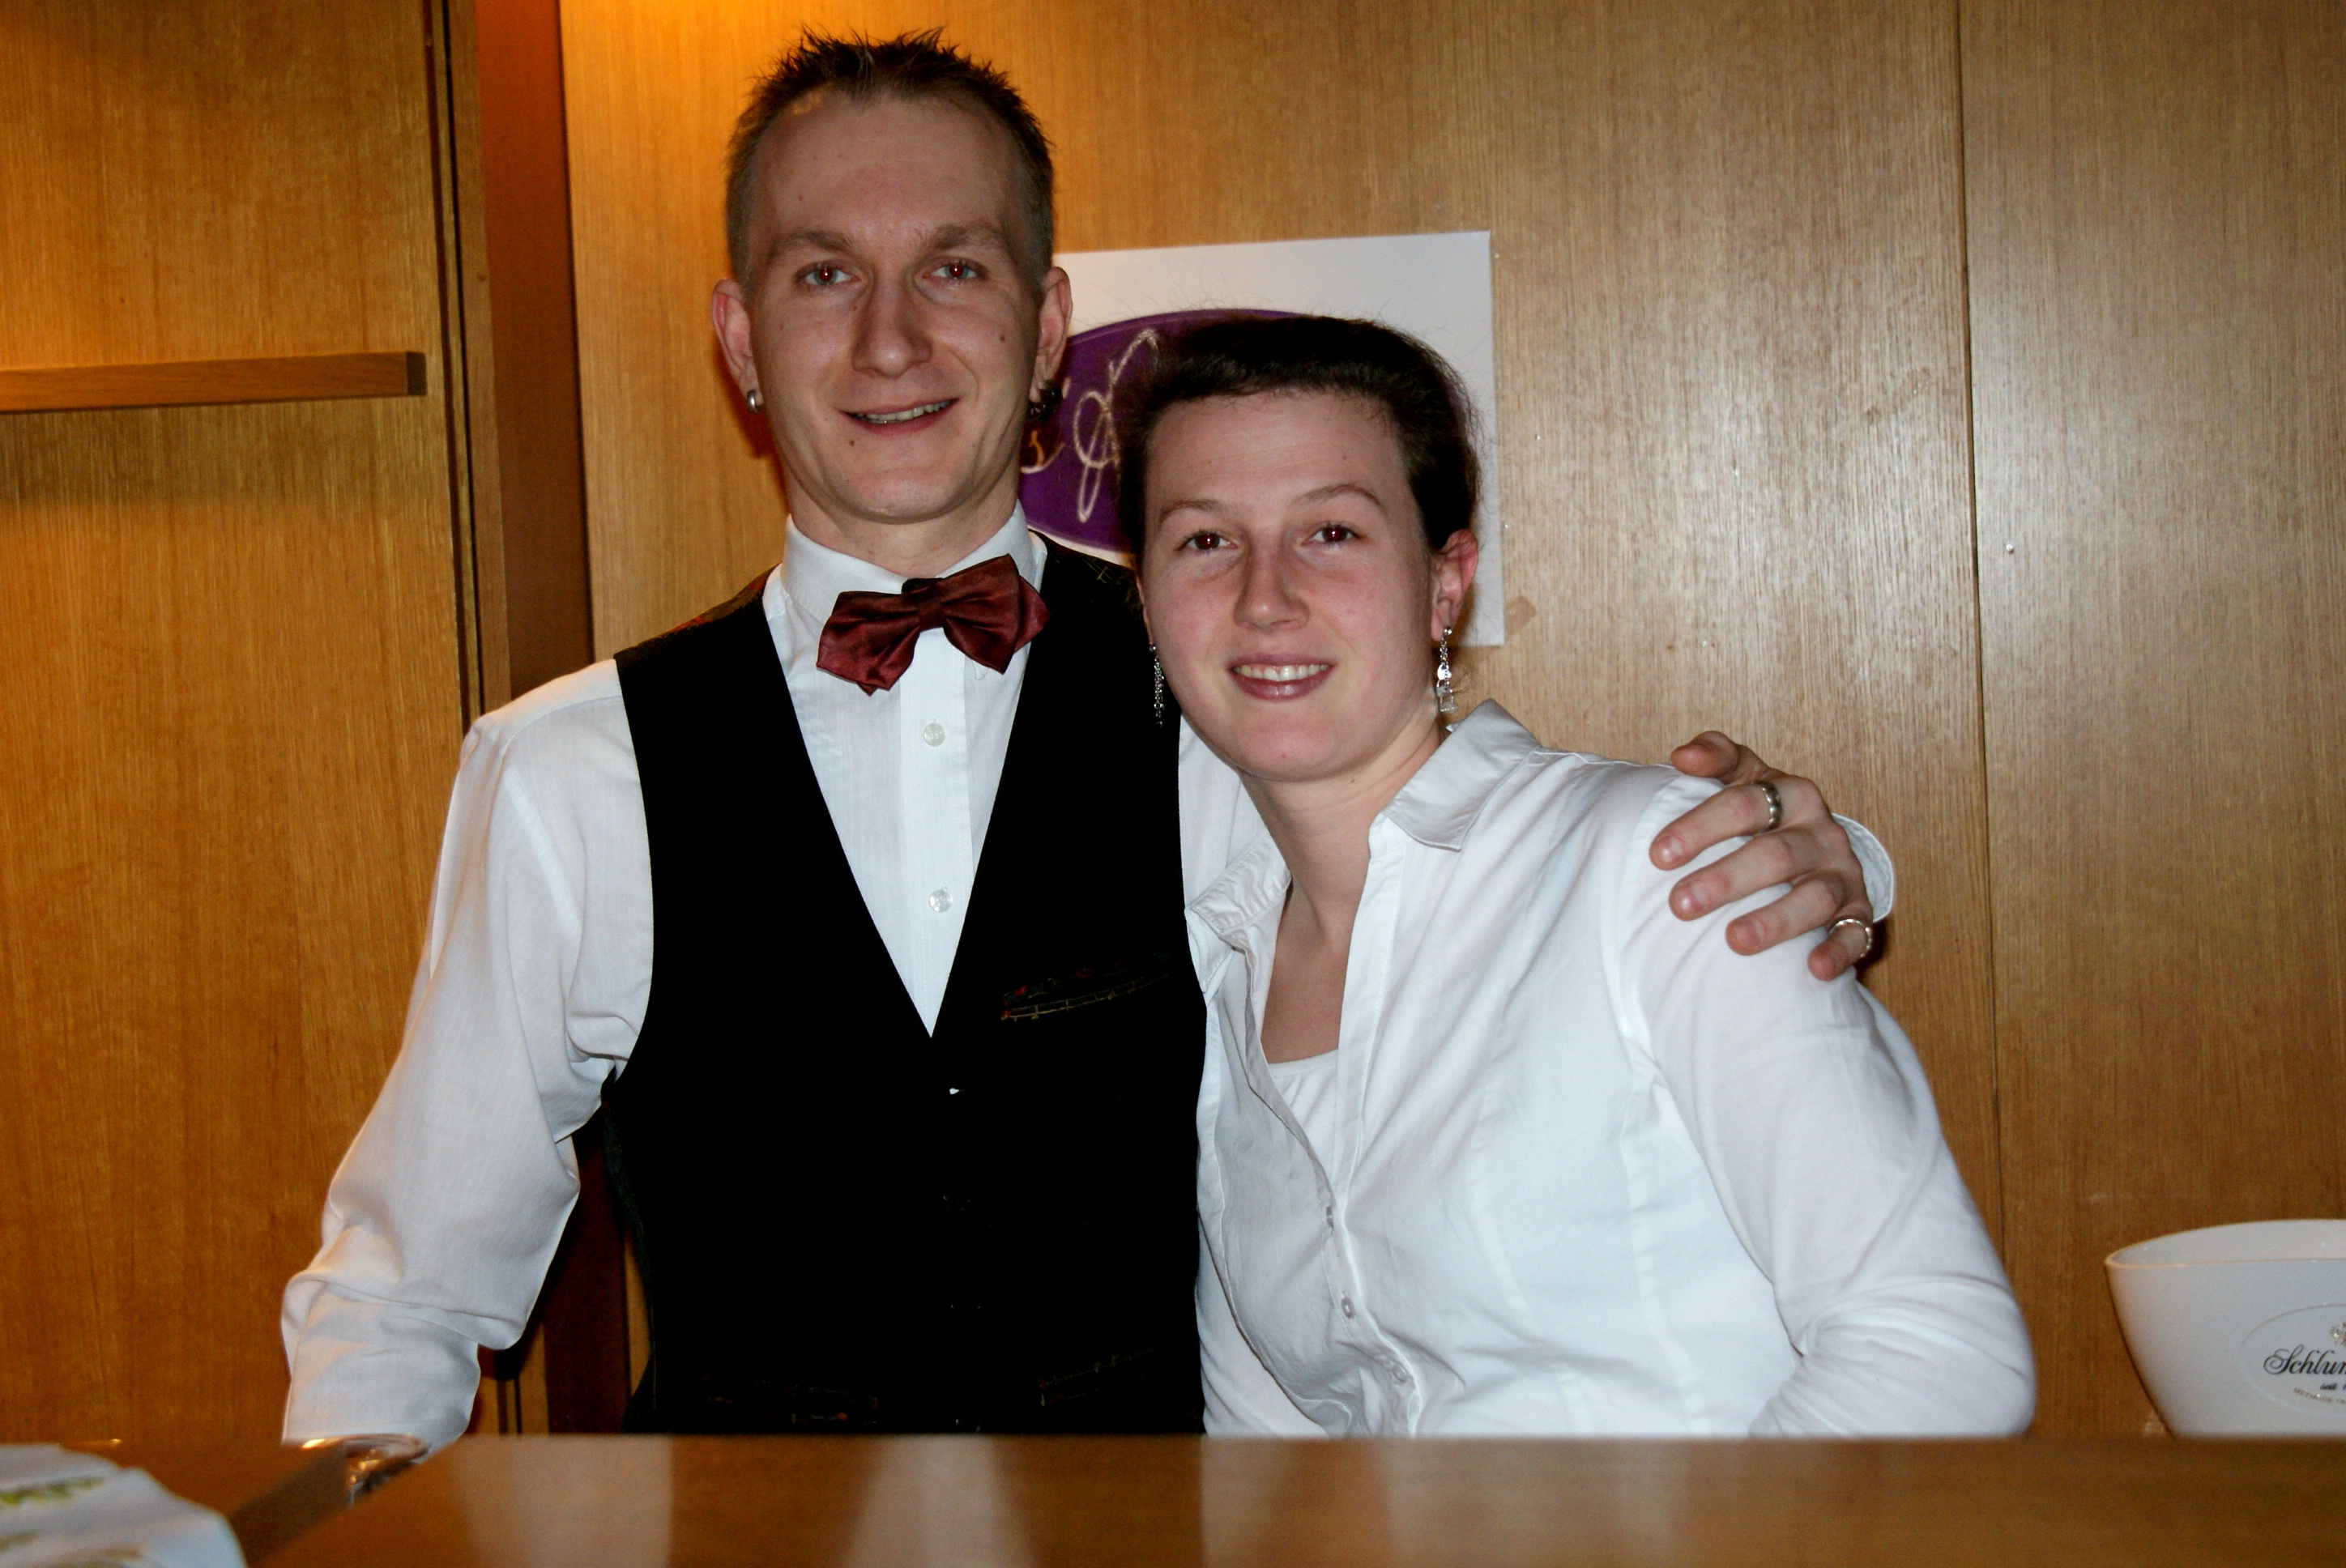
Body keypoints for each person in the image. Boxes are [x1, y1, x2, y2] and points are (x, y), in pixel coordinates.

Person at [279, 32, 1896, 1448]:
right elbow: (402, 1294)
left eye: (956, 269)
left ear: (1049, 325)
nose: (891, 340)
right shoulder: (568, 768)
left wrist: (1807, 858)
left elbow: (1520, 861)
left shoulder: (1228, 671)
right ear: (739, 336)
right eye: (823, 273)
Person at [1120, 314, 2034, 1435]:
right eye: (1206, 541)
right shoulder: (1226, 961)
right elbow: (1270, 1452)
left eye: (1334, 532)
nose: (1265, 596)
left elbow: (1939, 1353)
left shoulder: (1655, 867)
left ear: (1444, 582)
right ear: (1146, 601)